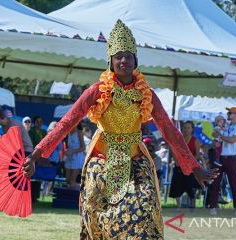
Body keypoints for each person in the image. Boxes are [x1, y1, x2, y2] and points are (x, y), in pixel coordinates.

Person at [22, 20, 217, 239]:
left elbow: (169, 130)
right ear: (111, 61)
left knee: (146, 205)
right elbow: (66, 123)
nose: (123, 60)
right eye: (118, 56)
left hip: (135, 157)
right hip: (101, 158)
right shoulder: (96, 91)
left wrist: (193, 166)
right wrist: (36, 155)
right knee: (99, 214)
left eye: (128, 55)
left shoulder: (147, 94)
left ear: (136, 61)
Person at [211, 107, 236, 217]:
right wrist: (217, 133)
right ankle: (213, 207)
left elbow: (231, 140)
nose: (228, 114)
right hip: (221, 157)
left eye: (230, 113)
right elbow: (215, 135)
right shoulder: (228, 126)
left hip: (231, 158)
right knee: (215, 183)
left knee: (233, 184)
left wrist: (220, 134)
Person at [169, 121, 201, 209]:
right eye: (185, 128)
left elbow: (197, 155)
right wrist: (177, 162)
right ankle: (178, 206)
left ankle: (193, 206)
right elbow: (173, 151)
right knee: (177, 186)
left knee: (190, 186)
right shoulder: (178, 139)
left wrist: (189, 163)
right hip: (179, 166)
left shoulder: (195, 140)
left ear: (192, 129)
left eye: (188, 128)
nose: (186, 130)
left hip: (190, 168)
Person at [64, 123, 86, 189]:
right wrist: (66, 151)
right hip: (69, 157)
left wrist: (72, 151)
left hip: (77, 158)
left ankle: (72, 197)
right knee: (67, 180)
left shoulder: (79, 133)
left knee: (72, 181)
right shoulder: (68, 133)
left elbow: (83, 148)